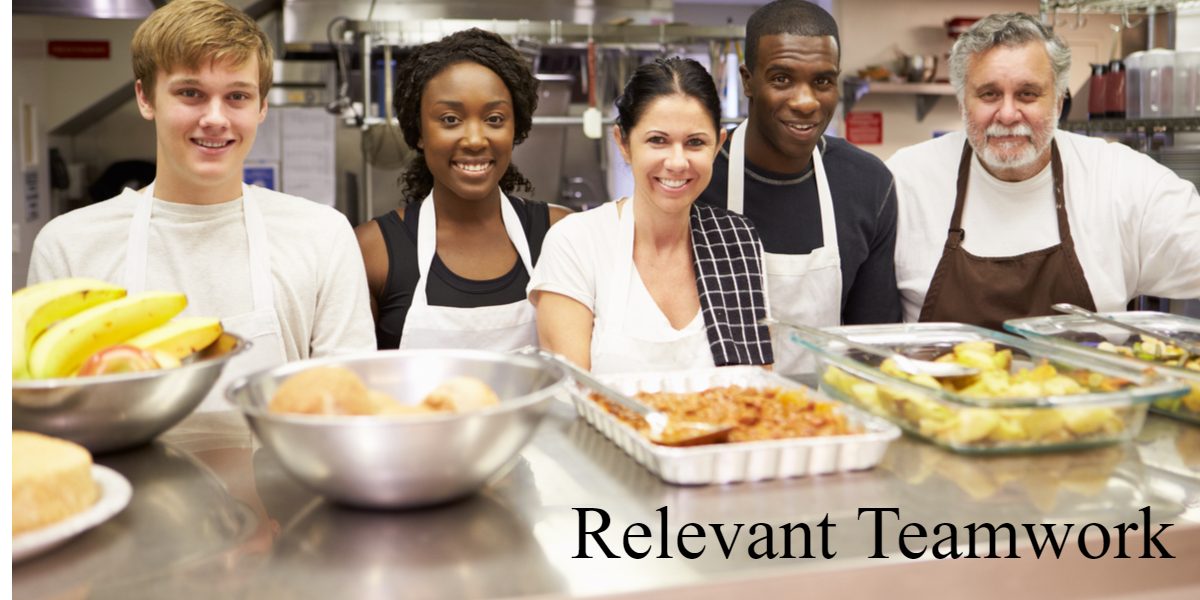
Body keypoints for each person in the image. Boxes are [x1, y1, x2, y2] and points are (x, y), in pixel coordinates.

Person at [28, 0, 375, 409]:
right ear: (145, 98)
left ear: (261, 106)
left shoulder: (322, 235)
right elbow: (50, 406)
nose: (215, 118)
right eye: (190, 93)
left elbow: (346, 402)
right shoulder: (69, 245)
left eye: (237, 96)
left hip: (283, 471)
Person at [887, 13, 1200, 329]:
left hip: (1088, 378)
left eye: (1028, 94)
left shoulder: (1123, 180)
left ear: (1059, 101)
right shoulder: (905, 181)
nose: (1008, 114)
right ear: (962, 102)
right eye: (989, 94)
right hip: (939, 379)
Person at [530, 57, 773, 374]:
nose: (677, 162)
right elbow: (572, 392)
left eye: (695, 142)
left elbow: (759, 386)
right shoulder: (576, 242)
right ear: (623, 142)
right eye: (657, 140)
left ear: (718, 146)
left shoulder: (736, 240)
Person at [697, 0, 901, 374]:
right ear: (747, 81)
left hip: (830, 413)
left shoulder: (868, 184)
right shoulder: (698, 180)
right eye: (782, 79)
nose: (806, 102)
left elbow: (873, 342)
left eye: (822, 81)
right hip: (715, 410)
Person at [355, 29, 571, 350]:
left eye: (495, 119)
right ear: (418, 132)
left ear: (516, 128)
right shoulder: (372, 251)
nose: (474, 139)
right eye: (450, 119)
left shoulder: (561, 235)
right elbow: (354, 385)